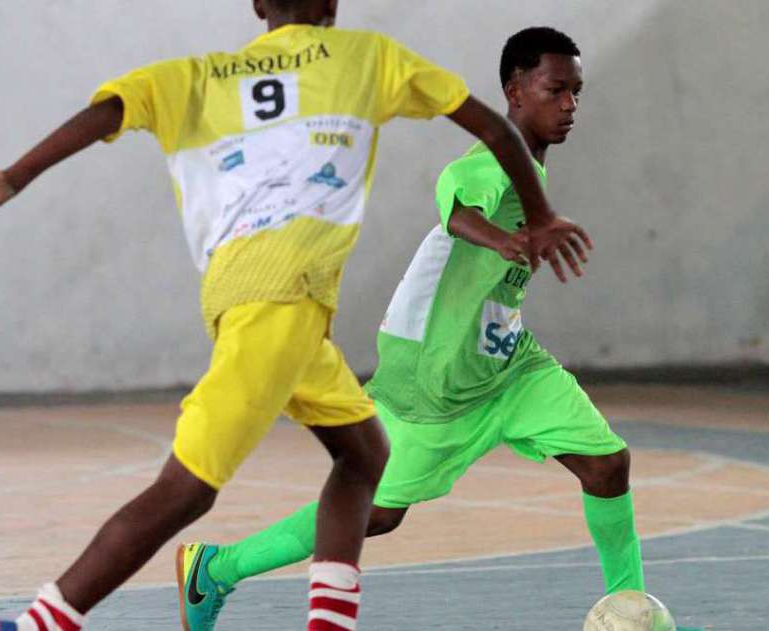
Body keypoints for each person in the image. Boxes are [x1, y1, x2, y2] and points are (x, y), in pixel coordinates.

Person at [0, 2, 591, 630]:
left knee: (365, 455)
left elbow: (108, 110)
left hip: (267, 306)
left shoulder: (194, 77)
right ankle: (39, 624)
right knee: (187, 489)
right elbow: (495, 128)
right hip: (277, 310)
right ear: (333, 4)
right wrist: (539, 213)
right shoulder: (368, 59)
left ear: (257, 7)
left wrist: (16, 175)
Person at [179, 26, 647, 631]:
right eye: (556, 90)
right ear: (514, 91)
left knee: (607, 465)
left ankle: (632, 614)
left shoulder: (533, 174)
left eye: (576, 92)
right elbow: (454, 205)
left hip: (506, 362)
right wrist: (504, 238)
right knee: (375, 513)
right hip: (433, 372)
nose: (570, 105)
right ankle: (216, 568)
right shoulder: (490, 163)